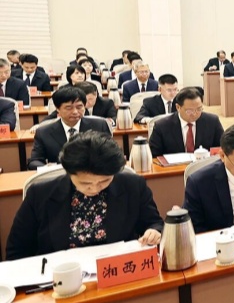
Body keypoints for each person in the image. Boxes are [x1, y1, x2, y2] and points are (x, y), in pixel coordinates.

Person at [7, 131, 163, 259]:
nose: (94, 188)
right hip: (61, 277)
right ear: (69, 173)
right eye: (85, 183)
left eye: (104, 181)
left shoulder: (132, 185)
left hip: (117, 271)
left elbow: (154, 223)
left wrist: (154, 232)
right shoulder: (40, 194)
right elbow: (17, 250)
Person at [28, 85, 113, 169]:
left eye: (79, 107)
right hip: (60, 174)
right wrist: (46, 168)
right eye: (69, 108)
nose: (75, 112)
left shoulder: (100, 125)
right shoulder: (44, 132)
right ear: (58, 109)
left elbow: (111, 153)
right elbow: (34, 161)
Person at [148, 87, 224, 157]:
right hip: (175, 166)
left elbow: (223, 148)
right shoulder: (162, 126)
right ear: (178, 107)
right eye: (189, 111)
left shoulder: (212, 121)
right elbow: (154, 156)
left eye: (199, 109)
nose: (195, 114)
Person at [48, 82, 116, 122]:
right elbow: (49, 119)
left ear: (96, 95)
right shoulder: (71, 104)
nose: (86, 102)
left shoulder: (107, 103)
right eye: (84, 100)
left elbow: (114, 118)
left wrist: (109, 121)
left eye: (90, 99)